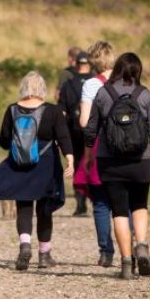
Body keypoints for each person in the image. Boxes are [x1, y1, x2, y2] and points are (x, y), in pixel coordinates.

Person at [0, 71, 75, 270]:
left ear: (23, 88)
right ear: (42, 89)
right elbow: (64, 138)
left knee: (24, 207)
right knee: (45, 209)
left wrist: (18, 143)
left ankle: (25, 246)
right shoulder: (53, 111)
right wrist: (70, 161)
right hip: (46, 164)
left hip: (20, 164)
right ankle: (44, 255)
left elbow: (2, 140)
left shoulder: (12, 109)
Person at [84, 52, 150, 280]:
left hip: (110, 161)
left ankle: (126, 264)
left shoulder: (103, 93)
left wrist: (89, 156)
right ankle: (141, 245)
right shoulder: (145, 94)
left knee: (119, 211)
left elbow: (91, 130)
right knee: (139, 204)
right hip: (141, 160)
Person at [72, 40, 118, 267]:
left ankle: (106, 251)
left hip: (100, 146)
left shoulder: (91, 84)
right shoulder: (127, 81)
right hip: (127, 148)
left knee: (101, 202)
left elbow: (84, 121)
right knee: (124, 202)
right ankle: (133, 249)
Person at [57, 51, 94, 216]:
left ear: (76, 64)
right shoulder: (97, 82)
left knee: (77, 163)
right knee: (93, 163)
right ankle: (97, 200)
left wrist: (59, 131)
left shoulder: (68, 84)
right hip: (94, 130)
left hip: (74, 129)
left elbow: (62, 110)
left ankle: (80, 203)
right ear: (90, 64)